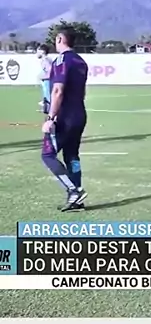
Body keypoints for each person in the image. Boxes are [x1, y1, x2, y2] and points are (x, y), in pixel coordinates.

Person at [41, 26, 88, 211]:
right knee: (72, 156)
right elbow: (82, 92)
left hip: (64, 116)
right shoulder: (81, 61)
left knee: (47, 155)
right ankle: (77, 200)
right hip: (79, 114)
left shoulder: (61, 60)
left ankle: (74, 190)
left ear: (60, 39)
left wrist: (51, 117)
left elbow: (58, 90)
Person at [37, 44, 53, 114]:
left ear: (42, 51)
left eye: (38, 51)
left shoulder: (45, 60)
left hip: (47, 81)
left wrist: (42, 77)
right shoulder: (48, 59)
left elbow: (50, 72)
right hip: (48, 81)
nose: (37, 53)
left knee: (48, 98)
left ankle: (51, 113)